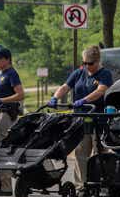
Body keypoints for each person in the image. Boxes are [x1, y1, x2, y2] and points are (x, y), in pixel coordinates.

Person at [48, 45, 113, 188]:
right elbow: (65, 86)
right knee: (80, 152)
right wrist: (55, 97)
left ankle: (101, 183)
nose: (87, 66)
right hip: (80, 119)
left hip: (98, 118)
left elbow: (101, 90)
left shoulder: (105, 74)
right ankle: (81, 186)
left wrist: (84, 100)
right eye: (84, 63)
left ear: (97, 61)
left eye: (90, 63)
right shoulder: (79, 73)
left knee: (99, 152)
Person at [0, 47, 24, 194]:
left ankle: (6, 186)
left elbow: (20, 94)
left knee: (1, 149)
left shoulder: (12, 74)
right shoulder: (2, 75)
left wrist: (2, 100)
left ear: (7, 59)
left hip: (7, 115)